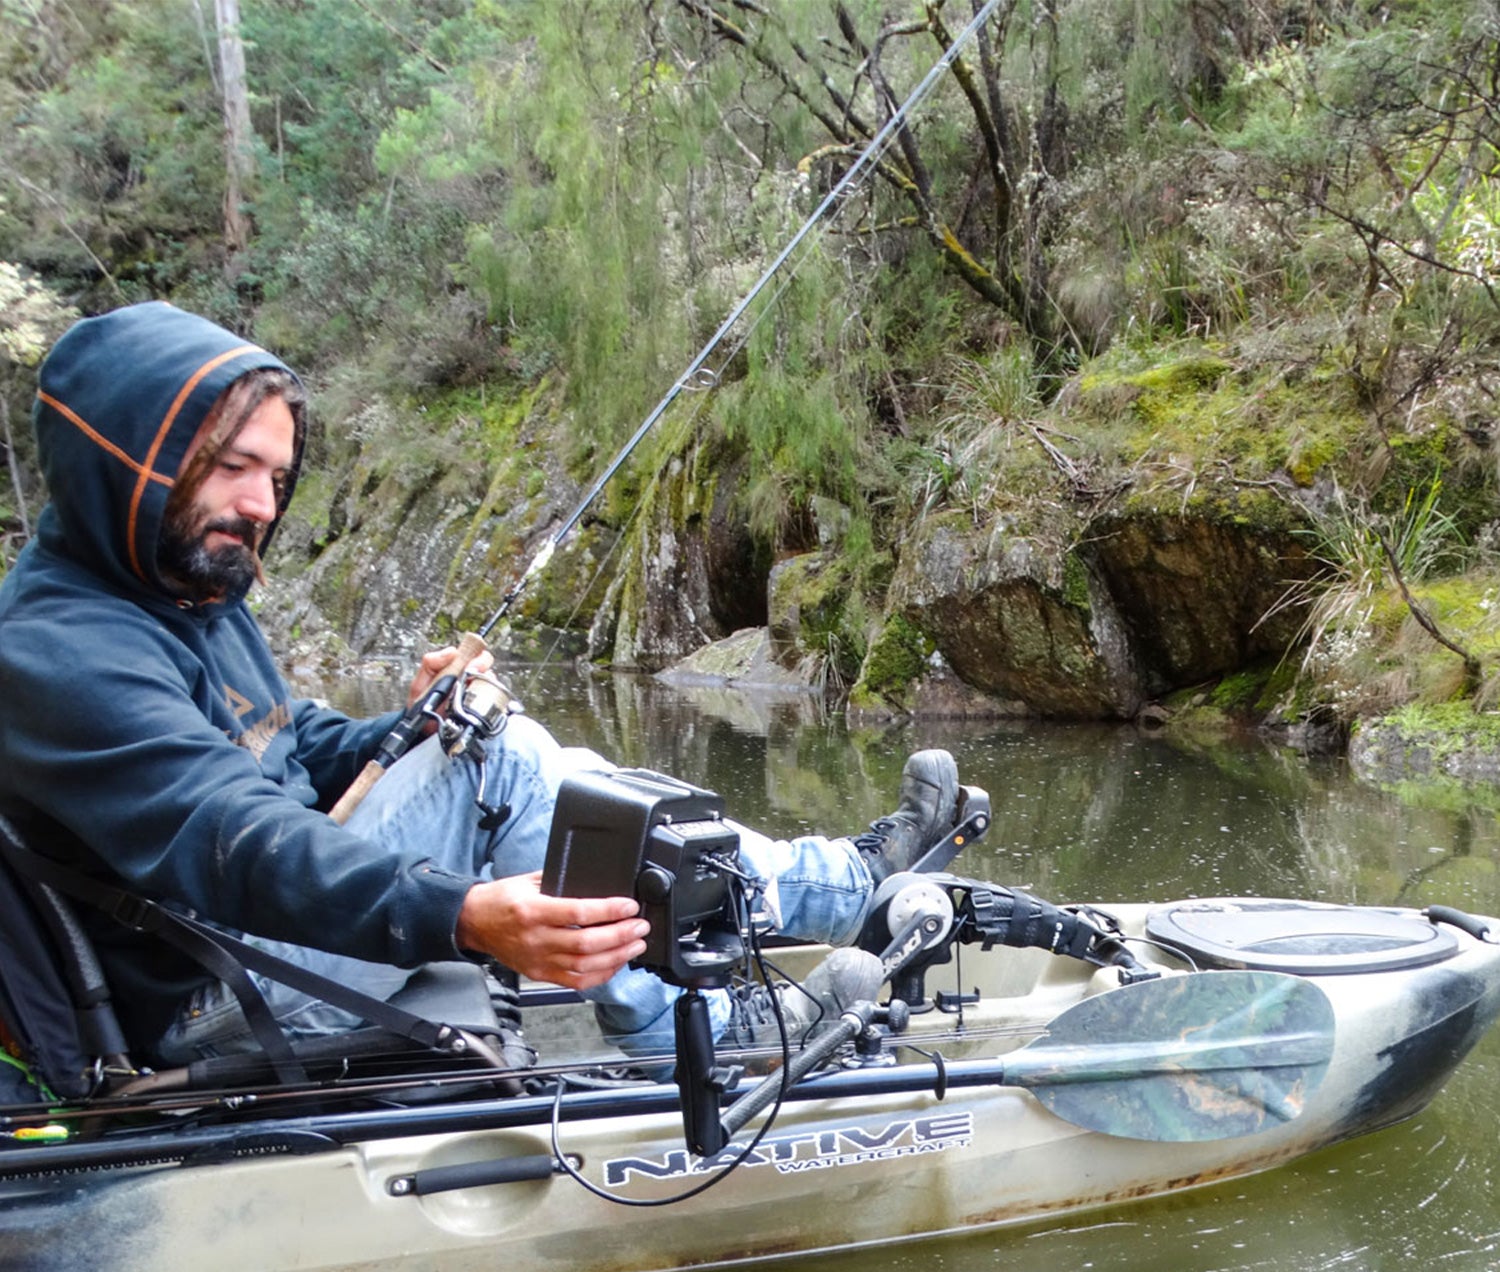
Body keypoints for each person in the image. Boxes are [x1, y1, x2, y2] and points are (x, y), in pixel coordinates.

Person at [0, 302, 965, 1066]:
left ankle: (812, 902)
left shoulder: (176, 586)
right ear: (125, 456)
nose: (260, 503)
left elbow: (284, 754)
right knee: (497, 763)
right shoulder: (62, 653)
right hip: (211, 989)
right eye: (231, 467)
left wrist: (416, 724)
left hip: (260, 934)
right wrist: (459, 916)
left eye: (276, 474)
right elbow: (237, 840)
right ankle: (734, 977)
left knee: (493, 743)